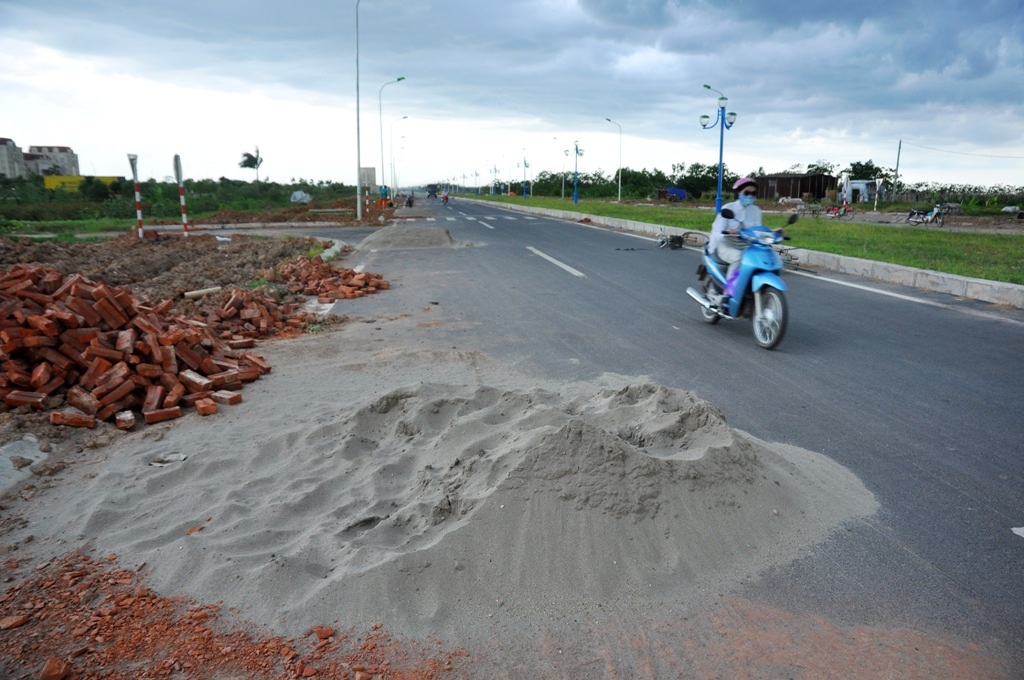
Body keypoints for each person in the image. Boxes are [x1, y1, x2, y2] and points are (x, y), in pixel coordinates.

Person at [708, 178, 782, 308]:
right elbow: (717, 231)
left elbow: (758, 231)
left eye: (753, 194)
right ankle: (727, 294)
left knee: (766, 257)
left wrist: (774, 232)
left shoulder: (756, 211)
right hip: (727, 243)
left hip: (747, 245)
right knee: (738, 258)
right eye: (747, 192)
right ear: (739, 193)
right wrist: (728, 232)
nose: (750, 196)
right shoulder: (728, 208)